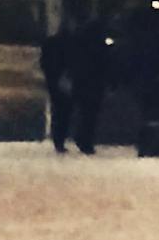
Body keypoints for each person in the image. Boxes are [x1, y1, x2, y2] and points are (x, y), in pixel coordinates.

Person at [64, 10, 108, 154]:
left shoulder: (79, 42)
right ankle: (85, 139)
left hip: (82, 81)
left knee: (85, 112)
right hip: (94, 81)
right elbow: (105, 62)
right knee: (91, 113)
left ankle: (83, 137)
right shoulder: (99, 45)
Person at [39, 20, 74, 154]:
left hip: (53, 79)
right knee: (65, 111)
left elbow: (44, 62)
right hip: (65, 78)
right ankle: (60, 138)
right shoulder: (71, 43)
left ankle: (57, 138)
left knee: (58, 109)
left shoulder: (50, 42)